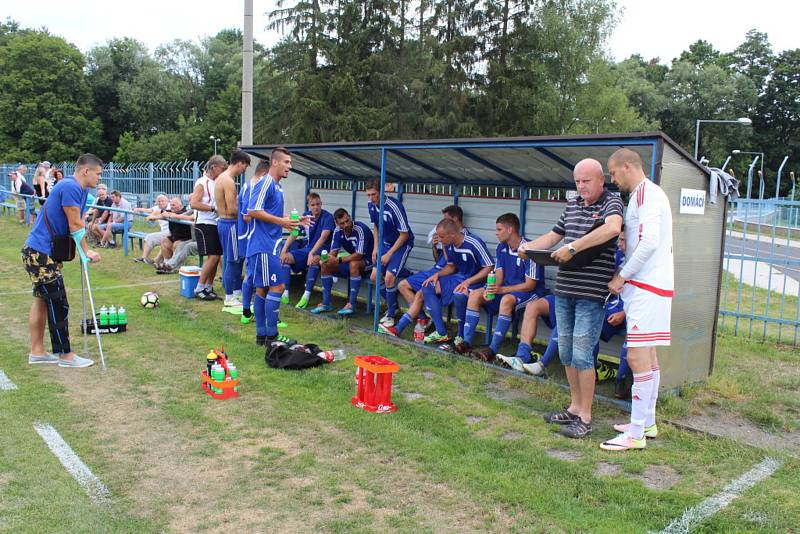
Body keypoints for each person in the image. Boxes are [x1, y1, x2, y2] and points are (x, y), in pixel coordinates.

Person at [519, 158, 623, 439]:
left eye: (586, 181)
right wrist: (528, 248)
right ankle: (574, 407)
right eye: (577, 181)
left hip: (591, 293)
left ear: (601, 180)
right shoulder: (573, 205)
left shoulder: (611, 203)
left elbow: (613, 229)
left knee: (582, 353)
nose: (581, 187)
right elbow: (553, 236)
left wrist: (574, 248)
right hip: (564, 290)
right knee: (565, 350)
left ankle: (586, 417)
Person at [602, 148, 674, 452]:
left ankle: (635, 434)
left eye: (614, 173)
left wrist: (622, 276)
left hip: (647, 286)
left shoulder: (647, 195)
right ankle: (646, 422)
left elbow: (649, 244)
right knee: (649, 357)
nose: (612, 179)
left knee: (636, 357)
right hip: (649, 287)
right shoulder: (645, 195)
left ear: (628, 167)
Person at [22, 154, 102, 368]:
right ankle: (65, 355)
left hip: (40, 252)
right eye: (98, 174)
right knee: (58, 301)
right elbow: (75, 223)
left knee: (42, 300)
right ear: (86, 171)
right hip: (40, 253)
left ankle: (37, 352)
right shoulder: (70, 187)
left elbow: (76, 222)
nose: (99, 179)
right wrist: (86, 252)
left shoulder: (82, 191)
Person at [457, 213, 546, 365]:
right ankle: (466, 343)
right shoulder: (502, 247)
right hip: (508, 290)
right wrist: (489, 288)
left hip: (531, 293)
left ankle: (492, 349)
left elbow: (530, 285)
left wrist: (502, 290)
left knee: (506, 299)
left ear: (510, 229)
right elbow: (499, 275)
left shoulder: (529, 249)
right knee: (475, 295)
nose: (496, 233)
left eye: (499, 229)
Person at [246, 147, 304, 345]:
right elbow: (253, 211)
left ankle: (262, 336)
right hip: (263, 246)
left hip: (269, 245)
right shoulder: (266, 183)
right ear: (275, 163)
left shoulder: (278, 186)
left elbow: (272, 217)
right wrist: (283, 222)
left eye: (290, 162)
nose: (290, 166)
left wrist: (293, 220)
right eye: (287, 162)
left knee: (262, 289)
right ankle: (272, 336)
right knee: (277, 287)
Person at [416, 218, 494, 346]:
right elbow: (451, 267)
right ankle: (441, 332)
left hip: (477, 282)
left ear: (452, 234)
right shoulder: (448, 245)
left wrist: (468, 282)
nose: (440, 240)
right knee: (428, 286)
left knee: (459, 294)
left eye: (442, 237)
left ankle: (461, 335)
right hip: (459, 278)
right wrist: (437, 275)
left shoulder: (474, 242)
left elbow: (490, 266)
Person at [365, 179, 415, 327]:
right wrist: (376, 248)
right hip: (385, 244)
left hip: (402, 244)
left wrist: (389, 254)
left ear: (381, 192)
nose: (371, 198)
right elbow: (376, 226)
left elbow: (405, 234)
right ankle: (393, 306)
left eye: (374, 194)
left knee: (389, 279)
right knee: (374, 276)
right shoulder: (371, 205)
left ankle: (391, 314)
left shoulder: (395, 206)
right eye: (368, 195)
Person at [310, 208, 374, 315]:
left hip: (369, 261)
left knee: (354, 264)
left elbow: (359, 255)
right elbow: (333, 253)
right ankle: (326, 303)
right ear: (337, 223)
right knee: (326, 264)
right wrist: (323, 259)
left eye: (347, 221)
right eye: (342, 223)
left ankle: (351, 304)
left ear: (349, 217)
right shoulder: (338, 231)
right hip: (351, 260)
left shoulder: (360, 229)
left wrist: (338, 260)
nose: (346, 225)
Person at [283, 192, 335, 309]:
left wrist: (311, 253)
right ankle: (285, 293)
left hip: (323, 251)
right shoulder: (306, 216)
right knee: (285, 258)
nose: (316, 207)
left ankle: (306, 296)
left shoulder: (328, 217)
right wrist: (284, 249)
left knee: (314, 261)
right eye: (313, 205)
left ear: (321, 204)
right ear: (308, 206)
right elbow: (295, 232)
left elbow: (323, 238)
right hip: (308, 249)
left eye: (318, 204)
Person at [215, 150, 251, 307]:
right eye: (245, 167)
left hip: (225, 224)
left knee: (235, 260)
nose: (244, 170)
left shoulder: (222, 178)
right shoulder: (228, 181)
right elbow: (232, 209)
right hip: (230, 224)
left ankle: (235, 293)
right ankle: (229, 297)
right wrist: (250, 212)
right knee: (233, 260)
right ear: (240, 163)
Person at [189, 155, 227, 300]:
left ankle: (209, 287)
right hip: (204, 223)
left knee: (216, 257)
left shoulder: (216, 182)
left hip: (214, 223)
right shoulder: (202, 182)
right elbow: (194, 203)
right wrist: (213, 208)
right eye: (222, 168)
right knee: (213, 257)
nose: (223, 171)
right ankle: (199, 288)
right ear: (214, 167)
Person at [238, 160, 270, 323]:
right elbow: (247, 216)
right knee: (254, 277)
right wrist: (270, 220)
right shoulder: (252, 188)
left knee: (252, 276)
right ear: (264, 174)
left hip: (252, 239)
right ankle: (251, 314)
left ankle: (247, 312)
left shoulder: (250, 185)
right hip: (252, 239)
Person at [155, 197, 195, 274]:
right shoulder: (191, 210)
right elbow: (157, 212)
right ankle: (167, 264)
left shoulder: (198, 211)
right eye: (189, 200)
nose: (190, 202)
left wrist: (171, 215)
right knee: (164, 241)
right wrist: (154, 217)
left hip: (189, 238)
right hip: (179, 237)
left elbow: (190, 218)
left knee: (179, 245)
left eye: (192, 200)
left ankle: (173, 266)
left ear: (180, 205)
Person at [133, 195, 170, 264]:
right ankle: (144, 258)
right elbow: (149, 210)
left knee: (153, 237)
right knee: (149, 237)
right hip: (164, 232)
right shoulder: (157, 207)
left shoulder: (170, 206)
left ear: (167, 201)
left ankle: (158, 261)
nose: (161, 203)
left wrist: (152, 216)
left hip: (171, 231)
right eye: (159, 201)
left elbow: (162, 213)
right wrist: (138, 209)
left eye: (163, 201)